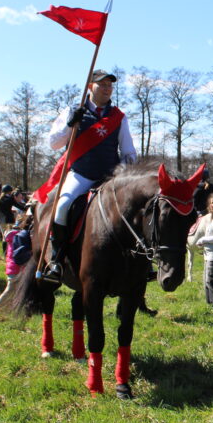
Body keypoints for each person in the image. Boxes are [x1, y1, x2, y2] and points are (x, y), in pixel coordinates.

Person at [37, 69, 137, 284]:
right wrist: (70, 123)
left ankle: (137, 262)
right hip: (82, 175)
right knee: (63, 206)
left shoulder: (118, 117)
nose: (107, 89)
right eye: (102, 85)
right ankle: (57, 258)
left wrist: (122, 172)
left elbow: (128, 152)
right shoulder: (74, 111)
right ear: (91, 86)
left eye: (110, 86)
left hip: (110, 178)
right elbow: (54, 143)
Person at [0, 215, 33, 313]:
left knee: (13, 290)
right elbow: (20, 255)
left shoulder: (13, 235)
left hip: (12, 267)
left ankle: (5, 310)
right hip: (16, 268)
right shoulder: (21, 236)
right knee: (10, 290)